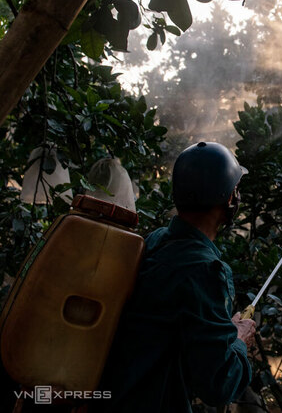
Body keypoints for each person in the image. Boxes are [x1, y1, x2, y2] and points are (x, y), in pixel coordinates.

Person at [92, 141, 257, 412]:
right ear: (229, 199)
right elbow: (218, 385)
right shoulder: (205, 271)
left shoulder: (156, 240)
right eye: (236, 189)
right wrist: (238, 342)